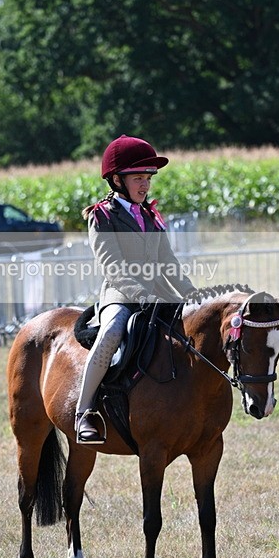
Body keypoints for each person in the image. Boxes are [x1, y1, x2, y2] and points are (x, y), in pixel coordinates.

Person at [75, 134, 196, 445]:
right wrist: (143, 296)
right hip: (121, 294)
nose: (145, 185)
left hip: (159, 294)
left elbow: (169, 262)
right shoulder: (102, 216)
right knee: (112, 330)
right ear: (117, 180)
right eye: (138, 178)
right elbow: (112, 267)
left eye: (148, 178)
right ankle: (85, 411)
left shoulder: (151, 215)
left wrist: (194, 295)